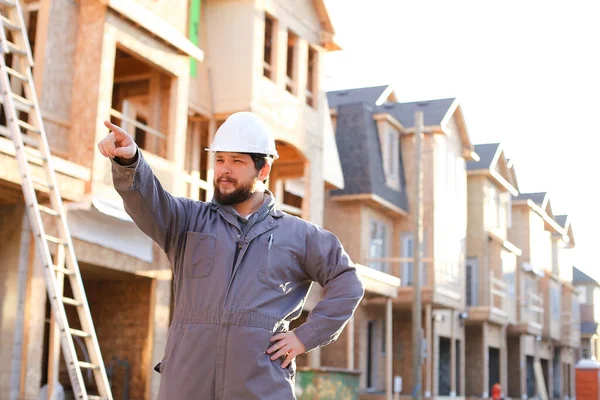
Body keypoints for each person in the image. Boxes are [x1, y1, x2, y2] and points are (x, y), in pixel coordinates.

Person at [97, 111, 365, 399]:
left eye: (236, 161)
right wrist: (130, 161)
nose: (224, 169)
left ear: (263, 171)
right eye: (220, 159)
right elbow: (148, 199)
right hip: (188, 385)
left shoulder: (300, 236)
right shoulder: (187, 221)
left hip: (261, 388)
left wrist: (304, 336)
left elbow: (347, 282)